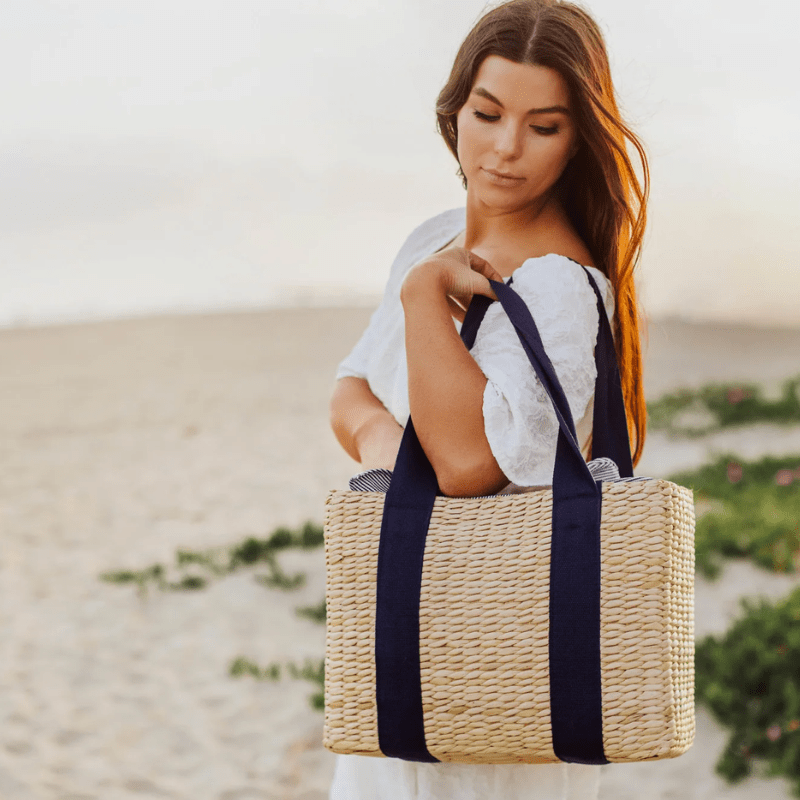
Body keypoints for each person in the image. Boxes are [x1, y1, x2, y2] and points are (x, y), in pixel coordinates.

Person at [327, 0, 649, 797]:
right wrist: (390, 451)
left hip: (503, 660)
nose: (506, 149)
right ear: (454, 111)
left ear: (579, 139)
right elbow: (349, 393)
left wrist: (423, 299)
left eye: (544, 126)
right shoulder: (430, 238)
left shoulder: (559, 286)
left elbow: (469, 464)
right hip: (417, 639)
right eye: (488, 113)